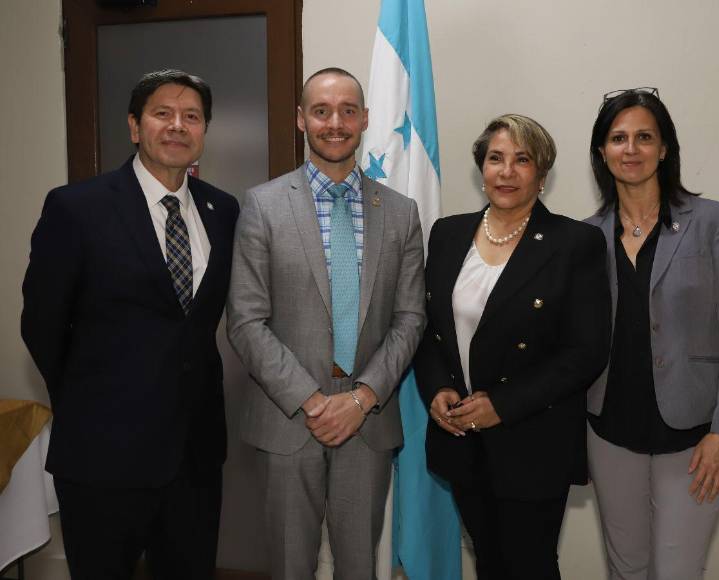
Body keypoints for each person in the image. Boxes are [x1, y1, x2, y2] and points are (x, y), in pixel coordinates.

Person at [21, 69, 239, 579]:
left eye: (192, 117)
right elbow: (41, 325)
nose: (177, 126)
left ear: (204, 131)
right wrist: (91, 400)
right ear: (134, 126)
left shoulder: (222, 210)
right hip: (102, 454)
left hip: (194, 454)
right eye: (162, 113)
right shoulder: (77, 207)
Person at [227, 67, 425, 580]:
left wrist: (359, 400)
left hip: (368, 422)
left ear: (364, 119)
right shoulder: (263, 206)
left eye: (346, 111)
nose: (334, 123)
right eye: (321, 111)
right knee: (290, 566)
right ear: (301, 119)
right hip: (290, 418)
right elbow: (246, 321)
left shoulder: (401, 213)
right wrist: (315, 402)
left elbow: (409, 319)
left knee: (359, 566)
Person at [414, 113, 611, 579]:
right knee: (489, 562)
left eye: (522, 160)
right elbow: (427, 329)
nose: (506, 171)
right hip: (463, 438)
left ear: (542, 175)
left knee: (530, 566)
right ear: (481, 167)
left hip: (533, 440)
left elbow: (586, 351)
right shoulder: (447, 233)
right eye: (496, 159)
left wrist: (501, 405)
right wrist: (438, 388)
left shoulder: (574, 242)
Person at [585, 88, 719, 580]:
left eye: (644, 137)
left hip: (694, 434)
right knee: (627, 570)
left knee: (678, 571)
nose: (631, 149)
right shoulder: (585, 236)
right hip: (609, 432)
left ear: (665, 148)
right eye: (618, 138)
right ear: (602, 151)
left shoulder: (715, 222)